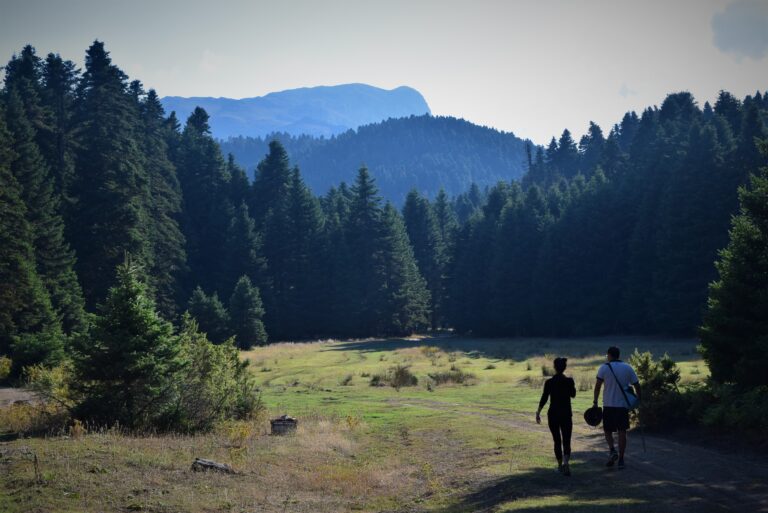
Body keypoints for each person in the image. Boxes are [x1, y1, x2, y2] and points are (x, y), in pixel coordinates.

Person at [592, 346, 641, 470]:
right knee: (622, 431)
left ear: (609, 355)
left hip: (608, 404)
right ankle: (621, 459)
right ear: (618, 355)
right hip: (622, 406)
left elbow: (597, 387)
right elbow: (637, 385)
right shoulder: (628, 367)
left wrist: (595, 402)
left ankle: (612, 450)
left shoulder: (604, 367)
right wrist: (638, 400)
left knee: (607, 430)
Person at [536, 357, 576, 476]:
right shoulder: (569, 381)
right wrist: (571, 386)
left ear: (554, 367)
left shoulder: (549, 382)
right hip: (566, 414)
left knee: (557, 441)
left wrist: (538, 412)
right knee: (567, 440)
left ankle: (559, 466)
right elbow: (573, 395)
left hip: (553, 414)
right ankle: (566, 464)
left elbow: (544, 398)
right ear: (564, 368)